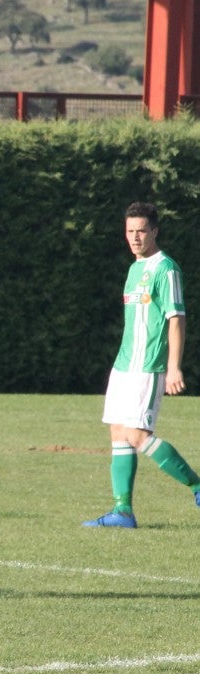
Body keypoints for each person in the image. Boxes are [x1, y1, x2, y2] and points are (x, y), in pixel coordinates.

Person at [83, 201, 200, 528]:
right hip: (123, 367)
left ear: (155, 231)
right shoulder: (134, 269)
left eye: (141, 231)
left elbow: (176, 319)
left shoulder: (166, 268)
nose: (135, 237)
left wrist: (174, 367)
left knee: (137, 434)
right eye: (130, 231)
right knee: (119, 433)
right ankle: (122, 512)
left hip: (148, 366)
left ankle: (197, 485)